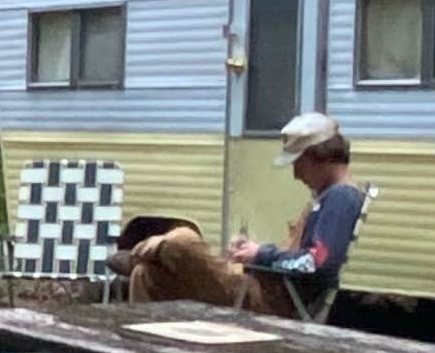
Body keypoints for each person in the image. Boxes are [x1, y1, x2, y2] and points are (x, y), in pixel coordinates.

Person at [119, 119, 363, 313]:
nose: (296, 175)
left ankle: (141, 251)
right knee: (148, 276)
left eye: (296, 163)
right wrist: (254, 252)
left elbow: (314, 264)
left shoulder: (340, 198)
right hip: (260, 285)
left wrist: (260, 254)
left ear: (315, 156)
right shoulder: (329, 197)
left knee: (181, 243)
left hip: (268, 299)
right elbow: (305, 257)